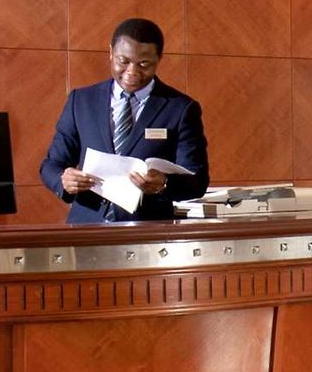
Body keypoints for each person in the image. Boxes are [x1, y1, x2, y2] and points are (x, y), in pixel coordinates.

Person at [40, 18, 209, 223]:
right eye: (124, 61)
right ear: (111, 52)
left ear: (159, 58)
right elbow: (51, 165)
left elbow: (197, 181)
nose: (132, 72)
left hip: (147, 229)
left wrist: (164, 184)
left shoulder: (180, 108)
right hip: (86, 227)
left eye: (144, 64)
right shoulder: (81, 101)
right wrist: (64, 181)